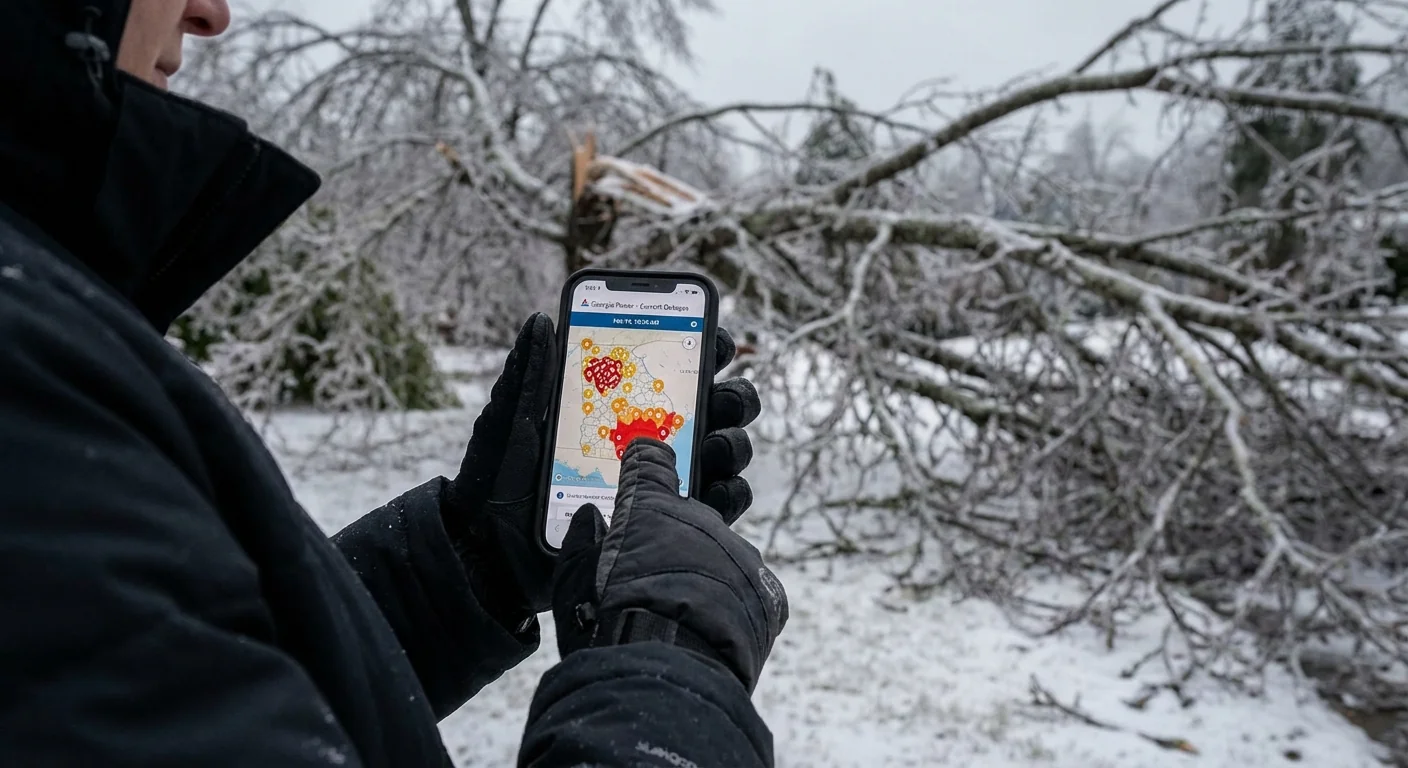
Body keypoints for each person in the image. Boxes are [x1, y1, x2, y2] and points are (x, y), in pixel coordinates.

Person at [0, 1, 788, 766]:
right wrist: (665, 677)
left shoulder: (47, 341)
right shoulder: (32, 384)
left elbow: (195, 686)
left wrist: (468, 567)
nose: (210, 11)